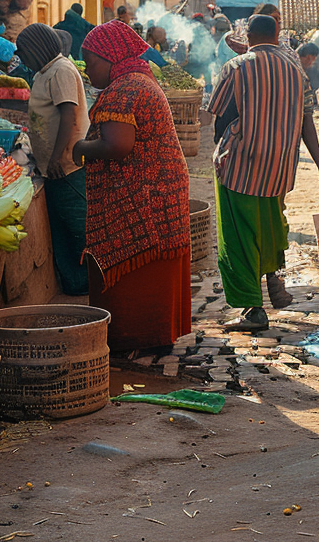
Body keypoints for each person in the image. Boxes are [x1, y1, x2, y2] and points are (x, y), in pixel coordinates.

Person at [207, 14, 319, 332]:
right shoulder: (296, 68)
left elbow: (219, 118)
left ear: (248, 36)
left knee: (239, 236)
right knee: (269, 224)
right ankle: (272, 275)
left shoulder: (236, 67)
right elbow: (308, 121)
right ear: (277, 34)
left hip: (240, 165)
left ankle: (253, 310)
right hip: (279, 167)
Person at [72, 21, 192, 349]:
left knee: (143, 266)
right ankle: (155, 335)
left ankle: (134, 335)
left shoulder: (124, 88)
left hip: (146, 191)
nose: (87, 69)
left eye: (91, 61)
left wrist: (80, 148)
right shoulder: (140, 80)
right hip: (161, 185)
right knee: (156, 265)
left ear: (111, 57)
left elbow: (117, 145)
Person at [18, 24, 90, 295]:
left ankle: (89, 282)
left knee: (78, 226)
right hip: (53, 168)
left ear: (37, 48)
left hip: (67, 166)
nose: (22, 58)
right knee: (61, 228)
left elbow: (69, 116)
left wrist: (59, 157)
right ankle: (74, 284)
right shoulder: (45, 72)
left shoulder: (61, 70)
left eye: (24, 52)